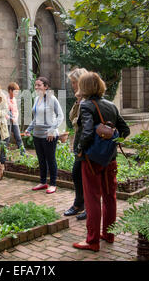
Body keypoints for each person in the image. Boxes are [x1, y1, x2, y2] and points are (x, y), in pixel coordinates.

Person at [72, 72, 130, 252]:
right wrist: (110, 140)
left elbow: (87, 131)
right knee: (110, 198)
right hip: (110, 159)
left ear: (85, 87)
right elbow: (125, 130)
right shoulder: (111, 105)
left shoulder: (86, 105)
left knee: (92, 199)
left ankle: (92, 241)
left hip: (90, 160)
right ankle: (109, 234)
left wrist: (80, 149)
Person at [24, 77, 64, 194]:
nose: (36, 87)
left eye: (39, 85)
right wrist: (29, 129)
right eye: (35, 85)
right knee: (41, 159)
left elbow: (60, 116)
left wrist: (52, 130)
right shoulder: (37, 99)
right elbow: (36, 118)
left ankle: (53, 184)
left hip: (49, 136)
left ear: (46, 86)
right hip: (37, 135)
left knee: (50, 159)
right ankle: (42, 182)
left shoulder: (52, 99)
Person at [63, 68, 89, 220]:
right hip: (80, 142)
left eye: (74, 82)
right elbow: (73, 118)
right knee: (78, 174)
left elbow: (83, 125)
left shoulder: (88, 100)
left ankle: (83, 205)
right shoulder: (80, 99)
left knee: (81, 174)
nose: (72, 85)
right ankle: (80, 204)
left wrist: (80, 146)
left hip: (85, 144)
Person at [3, 82, 25, 155]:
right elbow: (4, 112)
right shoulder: (5, 99)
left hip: (14, 120)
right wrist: (9, 118)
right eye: (15, 92)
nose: (16, 94)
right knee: (7, 139)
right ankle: (3, 157)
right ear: (10, 91)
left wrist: (15, 117)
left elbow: (16, 110)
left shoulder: (14, 100)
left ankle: (23, 154)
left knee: (18, 137)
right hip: (7, 121)